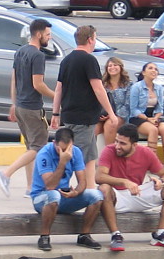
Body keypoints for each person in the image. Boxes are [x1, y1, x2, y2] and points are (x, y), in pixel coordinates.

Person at [51, 25, 118, 189]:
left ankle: (90, 188)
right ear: (90, 39)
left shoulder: (66, 60)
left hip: (69, 116)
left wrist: (55, 113)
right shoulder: (89, 60)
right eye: (95, 38)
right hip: (84, 118)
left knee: (89, 156)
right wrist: (111, 112)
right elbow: (98, 88)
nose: (95, 41)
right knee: (78, 156)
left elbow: (59, 88)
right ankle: (65, 186)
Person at [96, 123, 164, 252]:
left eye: (123, 144)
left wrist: (161, 181)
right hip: (116, 198)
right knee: (103, 188)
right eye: (117, 141)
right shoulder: (109, 150)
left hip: (138, 193)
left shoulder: (145, 152)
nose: (118, 146)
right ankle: (116, 235)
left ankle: (161, 234)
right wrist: (124, 182)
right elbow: (99, 177)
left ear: (134, 145)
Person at [0, 19, 55, 198]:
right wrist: (57, 96)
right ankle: (6, 174)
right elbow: (38, 84)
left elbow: (14, 79)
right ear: (38, 34)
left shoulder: (20, 51)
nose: (49, 38)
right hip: (32, 107)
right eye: (48, 35)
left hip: (21, 106)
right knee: (39, 146)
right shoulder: (38, 55)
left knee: (31, 147)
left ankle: (30, 188)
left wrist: (13, 103)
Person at [30, 127, 104, 251]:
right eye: (61, 149)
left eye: (67, 149)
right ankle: (44, 236)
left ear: (72, 144)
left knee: (96, 195)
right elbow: (50, 186)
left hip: (63, 197)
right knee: (53, 195)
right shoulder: (44, 154)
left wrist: (76, 192)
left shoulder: (76, 152)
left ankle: (84, 235)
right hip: (42, 198)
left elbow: (82, 181)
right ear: (54, 143)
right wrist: (62, 162)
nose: (64, 152)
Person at [128, 62, 164, 170]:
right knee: (153, 130)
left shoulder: (159, 88)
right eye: (150, 68)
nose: (154, 71)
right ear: (144, 72)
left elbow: (160, 108)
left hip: (154, 116)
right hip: (139, 117)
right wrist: (148, 119)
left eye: (156, 69)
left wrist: (155, 118)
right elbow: (133, 109)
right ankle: (153, 163)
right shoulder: (137, 87)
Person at [95, 57, 133, 146]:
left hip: (121, 115)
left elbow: (127, 105)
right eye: (109, 66)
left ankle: (110, 155)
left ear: (120, 67)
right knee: (93, 129)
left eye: (115, 65)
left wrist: (111, 115)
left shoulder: (128, 84)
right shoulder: (102, 85)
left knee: (110, 125)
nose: (112, 67)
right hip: (103, 115)